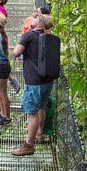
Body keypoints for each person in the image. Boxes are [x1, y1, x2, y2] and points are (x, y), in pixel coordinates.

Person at [11, 13, 55, 156]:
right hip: (47, 82)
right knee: (41, 107)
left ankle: (29, 145)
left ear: (39, 23)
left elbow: (16, 52)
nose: (32, 18)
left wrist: (19, 45)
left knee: (32, 113)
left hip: (34, 82)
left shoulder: (28, 36)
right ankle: (39, 134)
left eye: (36, 17)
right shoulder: (50, 38)